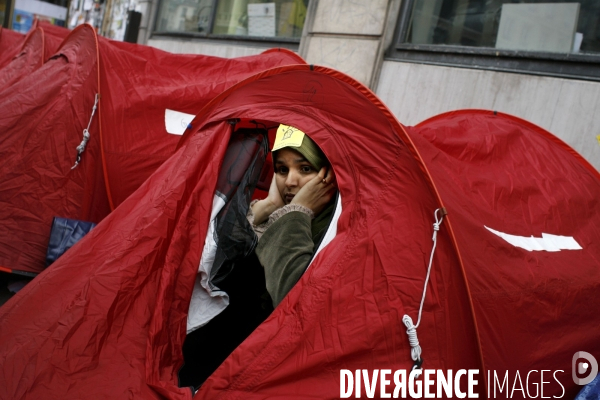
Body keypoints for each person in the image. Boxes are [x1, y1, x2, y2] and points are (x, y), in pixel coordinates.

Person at [247, 124, 337, 307]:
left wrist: (297, 213)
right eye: (282, 169)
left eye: (305, 168)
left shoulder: (338, 233)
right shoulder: (272, 217)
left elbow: (294, 301)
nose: (289, 182)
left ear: (329, 174)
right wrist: (268, 205)